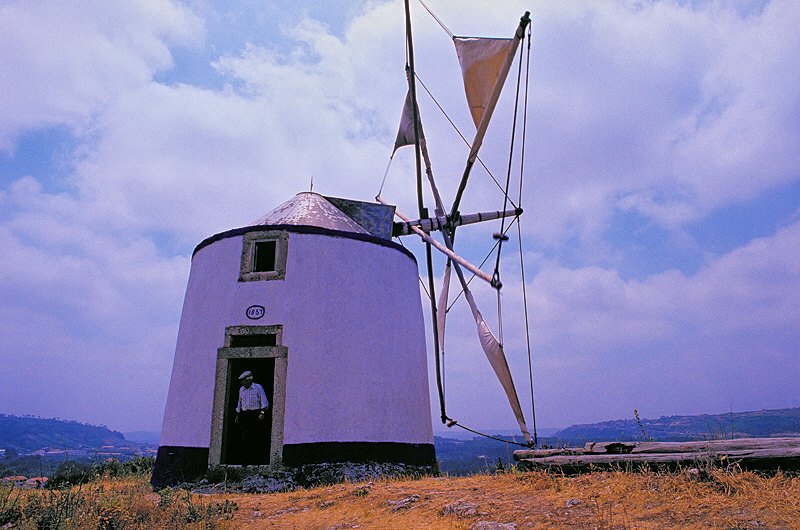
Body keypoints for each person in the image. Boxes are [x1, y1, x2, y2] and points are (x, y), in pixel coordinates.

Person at [235, 370, 269, 464]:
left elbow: (264, 401)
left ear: (248, 380)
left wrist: (262, 413)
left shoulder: (258, 387)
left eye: (243, 380)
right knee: (245, 438)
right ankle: (245, 460)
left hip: (255, 414)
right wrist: (237, 415)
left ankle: (257, 460)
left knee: (256, 437)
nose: (242, 382)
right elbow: (239, 403)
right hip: (245, 415)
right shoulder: (241, 389)